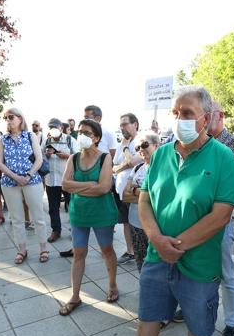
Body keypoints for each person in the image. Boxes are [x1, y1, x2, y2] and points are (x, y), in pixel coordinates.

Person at [102, 86, 234, 336]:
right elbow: (145, 198)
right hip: (156, 255)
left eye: (187, 113)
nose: (179, 119)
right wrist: (156, 240)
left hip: (200, 260)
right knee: (149, 314)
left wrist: (176, 245)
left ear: (205, 118)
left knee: (198, 321)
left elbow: (222, 213)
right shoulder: (162, 153)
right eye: (176, 113)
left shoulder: (223, 157)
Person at [173, 101, 234, 336]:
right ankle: (190, 306)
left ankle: (233, 323)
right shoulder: (189, 144)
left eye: (206, 115)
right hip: (191, 219)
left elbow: (223, 179)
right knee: (188, 266)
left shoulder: (233, 144)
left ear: (217, 116)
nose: (198, 120)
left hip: (219, 220)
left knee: (226, 272)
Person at [59, 119, 118, 315]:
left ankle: (112, 285)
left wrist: (83, 187)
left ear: (97, 138)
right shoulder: (73, 158)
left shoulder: (104, 158)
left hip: (102, 213)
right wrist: (91, 185)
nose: (81, 135)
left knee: (107, 250)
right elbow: (65, 185)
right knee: (79, 254)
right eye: (79, 132)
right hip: (79, 213)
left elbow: (104, 187)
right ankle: (75, 296)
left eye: (87, 133)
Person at [0, 109, 49, 263]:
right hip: (9, 183)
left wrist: (27, 176)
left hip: (31, 181)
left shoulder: (30, 136)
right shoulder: (3, 139)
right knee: (17, 219)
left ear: (20, 118)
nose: (8, 120)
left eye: (11, 117)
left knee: (38, 217)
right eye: (6, 118)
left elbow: (39, 159)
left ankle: (43, 249)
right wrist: (16, 177)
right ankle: (22, 250)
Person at [121, 131, 160, 272]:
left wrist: (135, 190)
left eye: (144, 145)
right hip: (135, 223)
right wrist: (145, 193)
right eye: (137, 148)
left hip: (156, 225)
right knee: (140, 262)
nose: (141, 150)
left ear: (157, 145)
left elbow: (159, 197)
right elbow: (125, 194)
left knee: (156, 264)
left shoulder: (164, 169)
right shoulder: (138, 168)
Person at [114, 113, 142, 264]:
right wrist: (122, 165)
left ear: (135, 124)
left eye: (125, 124)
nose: (122, 127)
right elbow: (114, 165)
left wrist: (125, 149)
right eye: (121, 125)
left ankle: (140, 251)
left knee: (138, 221)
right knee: (126, 221)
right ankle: (130, 251)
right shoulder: (122, 143)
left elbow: (133, 162)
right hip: (122, 192)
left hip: (135, 191)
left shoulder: (141, 140)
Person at [43, 117, 74, 245]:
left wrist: (66, 156)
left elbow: (78, 156)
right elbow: (40, 156)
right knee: (53, 207)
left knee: (71, 205)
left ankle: (75, 230)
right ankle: (56, 230)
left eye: (56, 127)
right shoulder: (46, 140)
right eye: (51, 127)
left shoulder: (69, 140)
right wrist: (47, 154)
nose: (53, 129)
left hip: (67, 179)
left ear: (61, 128)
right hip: (51, 179)